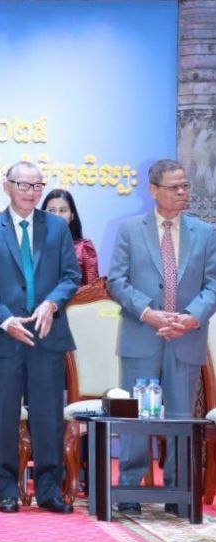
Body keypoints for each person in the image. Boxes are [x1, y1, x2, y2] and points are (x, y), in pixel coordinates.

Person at [108, 159, 216, 515]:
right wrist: (149, 314)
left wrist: (191, 317)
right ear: (153, 190)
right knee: (136, 417)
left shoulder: (205, 232)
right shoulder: (129, 230)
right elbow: (116, 282)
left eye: (185, 185)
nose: (182, 192)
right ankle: (129, 487)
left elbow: (213, 284)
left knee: (181, 416)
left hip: (186, 338)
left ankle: (178, 490)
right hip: (142, 334)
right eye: (174, 187)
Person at [0, 161, 80, 515]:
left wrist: (52, 303)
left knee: (48, 416)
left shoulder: (56, 227)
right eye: (22, 185)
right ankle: (6, 490)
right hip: (3, 335)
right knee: (3, 416)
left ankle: (49, 491)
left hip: (46, 335)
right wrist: (4, 319)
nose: (30, 192)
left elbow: (71, 276)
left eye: (37, 186)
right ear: (6, 186)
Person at [42, 189, 99, 286]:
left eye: (63, 210)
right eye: (51, 210)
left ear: (72, 216)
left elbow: (92, 289)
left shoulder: (83, 248)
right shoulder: (31, 246)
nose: (57, 215)